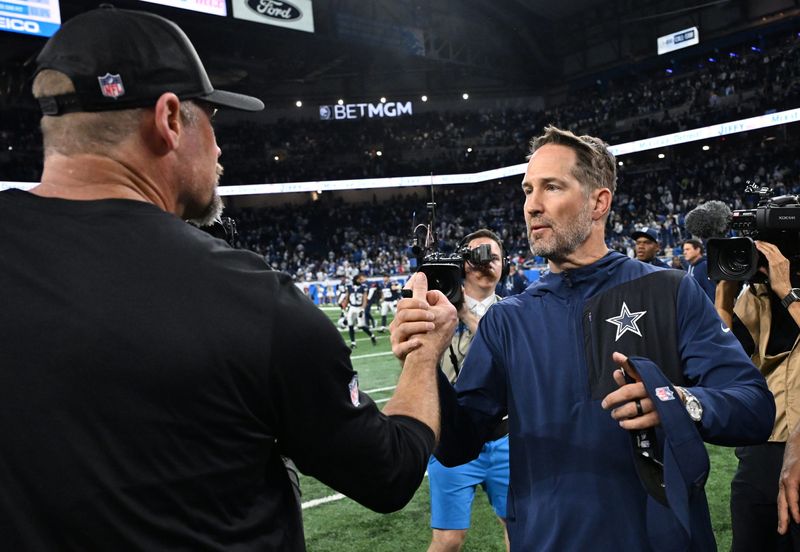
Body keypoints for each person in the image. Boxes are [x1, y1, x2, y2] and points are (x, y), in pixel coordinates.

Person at [0, 7, 457, 550]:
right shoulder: (252, 300)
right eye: (211, 118)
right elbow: (390, 472)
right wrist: (426, 354)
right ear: (169, 119)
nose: (218, 148)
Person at [391, 126, 774, 551]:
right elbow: (457, 446)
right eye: (527, 190)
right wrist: (424, 360)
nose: (532, 206)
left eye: (551, 187)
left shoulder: (671, 291)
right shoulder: (507, 320)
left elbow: (754, 407)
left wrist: (678, 402)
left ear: (598, 202)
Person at [714, 239, 800, 550]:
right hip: (761, 447)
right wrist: (723, 300)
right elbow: (723, 362)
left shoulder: (782, 293)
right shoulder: (756, 296)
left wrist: (788, 293)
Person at [428, 229, 510, 552]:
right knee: (448, 540)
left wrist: (467, 316)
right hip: (451, 436)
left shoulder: (514, 311)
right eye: (477, 255)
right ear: (462, 264)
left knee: (518, 526)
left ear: (505, 267)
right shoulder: (439, 310)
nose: (486, 262)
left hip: (503, 436)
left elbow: (509, 357)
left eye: (495, 257)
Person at [344, 273, 378, 348]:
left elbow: (364, 299)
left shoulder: (363, 287)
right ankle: (353, 343)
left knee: (361, 325)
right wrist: (345, 307)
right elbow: (347, 298)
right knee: (350, 325)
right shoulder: (349, 287)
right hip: (352, 308)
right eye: (359, 279)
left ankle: (372, 336)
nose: (360, 281)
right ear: (355, 280)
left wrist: (362, 309)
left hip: (359, 307)